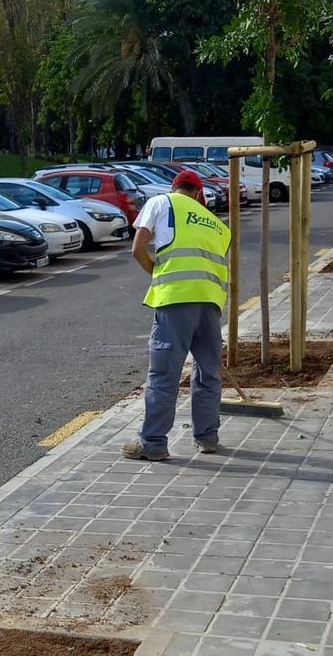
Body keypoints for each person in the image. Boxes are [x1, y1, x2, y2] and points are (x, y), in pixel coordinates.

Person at [123, 170, 232, 461]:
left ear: (175, 188)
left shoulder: (162, 203)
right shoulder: (218, 225)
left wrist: (157, 274)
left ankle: (153, 442)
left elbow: (138, 248)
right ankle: (207, 437)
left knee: (164, 374)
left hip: (175, 302)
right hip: (210, 305)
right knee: (208, 373)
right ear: (199, 194)